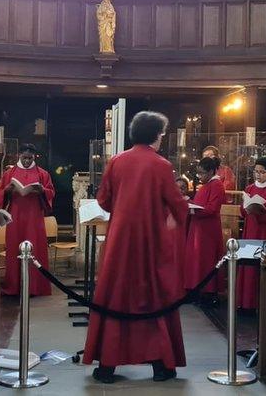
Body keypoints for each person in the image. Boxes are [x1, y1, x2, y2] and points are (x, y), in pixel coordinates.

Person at [83, 111, 190, 383]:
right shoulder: (161, 165)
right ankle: (160, 366)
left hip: (120, 241)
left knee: (115, 295)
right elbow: (177, 204)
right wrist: (174, 216)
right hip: (151, 241)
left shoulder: (117, 161)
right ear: (156, 134)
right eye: (162, 133)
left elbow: (104, 200)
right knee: (153, 297)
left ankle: (107, 367)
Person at [0, 143, 54, 297]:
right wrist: (8, 190)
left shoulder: (42, 173)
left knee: (35, 248)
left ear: (34, 157)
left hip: (34, 216)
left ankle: (36, 287)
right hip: (15, 216)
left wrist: (42, 190)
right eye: (25, 158)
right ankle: (14, 287)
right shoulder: (10, 173)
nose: (28, 161)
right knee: (14, 248)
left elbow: (50, 192)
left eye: (30, 158)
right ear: (19, 156)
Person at [235, 157, 266, 311]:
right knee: (248, 266)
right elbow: (242, 212)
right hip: (250, 230)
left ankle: (260, 305)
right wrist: (246, 208)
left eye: (262, 172)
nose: (258, 175)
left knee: (260, 267)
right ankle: (244, 303)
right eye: (256, 171)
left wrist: (261, 213)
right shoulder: (249, 188)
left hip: (265, 233)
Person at [184, 156, 226, 299]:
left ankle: (208, 292)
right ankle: (196, 290)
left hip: (208, 230)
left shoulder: (216, 185)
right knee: (197, 260)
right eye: (198, 173)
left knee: (206, 261)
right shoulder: (207, 185)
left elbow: (212, 209)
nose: (199, 176)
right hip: (199, 227)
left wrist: (191, 205)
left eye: (202, 173)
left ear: (211, 172)